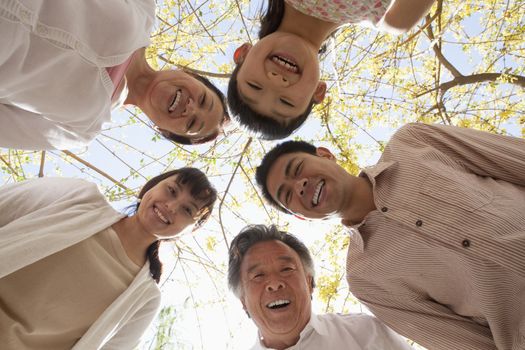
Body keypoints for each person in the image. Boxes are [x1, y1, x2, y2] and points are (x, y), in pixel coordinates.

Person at [255, 123, 525, 350]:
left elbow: (517, 159)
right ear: (302, 217)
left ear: (326, 155)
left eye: (298, 169)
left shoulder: (414, 143)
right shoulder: (365, 279)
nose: (299, 185)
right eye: (287, 195)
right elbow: (465, 344)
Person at [0, 167, 217, 349]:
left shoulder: (145, 299)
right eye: (171, 190)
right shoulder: (79, 197)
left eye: (187, 210)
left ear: (190, 229)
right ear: (154, 184)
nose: (171, 206)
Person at [0, 0, 229, 150]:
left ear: (163, 131)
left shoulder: (81, 130)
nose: (190, 108)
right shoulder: (144, 10)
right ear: (189, 73)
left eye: (191, 123)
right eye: (203, 100)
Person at [227, 0, 436, 140]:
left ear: (243, 53)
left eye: (255, 86)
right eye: (286, 101)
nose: (277, 81)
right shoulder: (393, 19)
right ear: (318, 91)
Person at [228, 224, 414, 350]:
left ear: (309, 283)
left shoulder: (365, 333)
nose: (275, 283)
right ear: (243, 300)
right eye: (258, 275)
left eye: (286, 269)